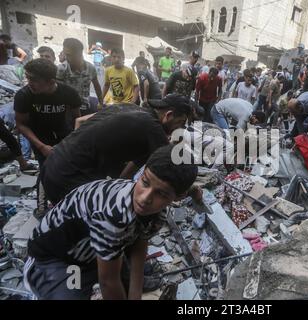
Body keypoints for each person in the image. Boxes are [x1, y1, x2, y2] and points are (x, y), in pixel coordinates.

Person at [24, 145, 198, 300]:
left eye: (161, 194)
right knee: (78, 289)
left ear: (178, 197)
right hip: (62, 260)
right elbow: (108, 282)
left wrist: (135, 294)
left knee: (130, 277)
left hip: (98, 248)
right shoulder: (113, 214)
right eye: (145, 182)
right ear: (142, 173)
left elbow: (139, 243)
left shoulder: (156, 215)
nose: (145, 198)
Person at [41, 94, 192, 204]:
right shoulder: (153, 128)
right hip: (69, 179)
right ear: (169, 115)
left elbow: (79, 121)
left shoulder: (129, 107)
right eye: (180, 123)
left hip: (50, 168)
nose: (178, 129)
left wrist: (121, 183)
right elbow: (172, 170)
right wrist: (192, 191)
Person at [14, 58, 81, 167]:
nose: (29, 83)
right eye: (27, 78)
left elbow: (77, 118)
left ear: (51, 82)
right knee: (47, 169)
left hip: (64, 135)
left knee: (69, 168)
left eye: (34, 79)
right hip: (39, 138)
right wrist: (41, 146)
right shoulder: (24, 95)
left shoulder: (69, 93)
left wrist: (73, 140)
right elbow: (21, 124)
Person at [57, 38, 103, 116]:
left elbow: (97, 86)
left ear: (79, 54)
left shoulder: (90, 68)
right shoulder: (62, 69)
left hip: (85, 108)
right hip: (67, 110)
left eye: (68, 55)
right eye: (65, 54)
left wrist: (101, 103)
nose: (66, 57)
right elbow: (58, 92)